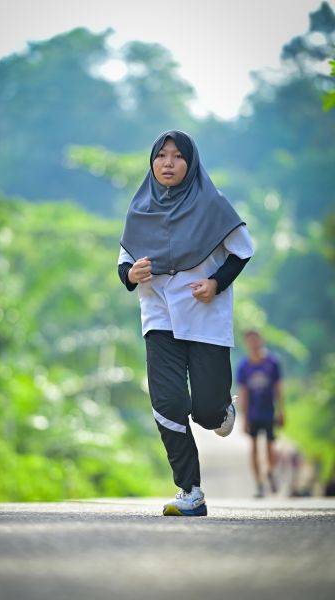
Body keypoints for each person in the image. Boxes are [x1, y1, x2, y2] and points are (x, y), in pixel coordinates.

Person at [117, 130, 254, 517]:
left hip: (205, 316)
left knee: (207, 412)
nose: (168, 163)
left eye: (178, 156)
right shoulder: (140, 207)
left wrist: (215, 283)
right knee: (168, 403)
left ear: (190, 163)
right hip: (158, 316)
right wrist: (132, 275)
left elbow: (241, 251)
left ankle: (221, 410)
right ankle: (190, 491)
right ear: (152, 162)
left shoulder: (213, 203)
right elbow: (124, 263)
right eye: (161, 155)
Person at [237, 330, 285, 498]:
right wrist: (244, 418)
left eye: (255, 340)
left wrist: (281, 411)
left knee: (271, 446)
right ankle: (258, 484)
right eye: (249, 341)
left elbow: (278, 388)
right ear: (246, 343)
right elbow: (243, 392)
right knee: (254, 447)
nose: (253, 343)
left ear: (261, 340)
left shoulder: (272, 362)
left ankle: (270, 471)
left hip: (269, 411)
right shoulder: (244, 366)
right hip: (253, 413)